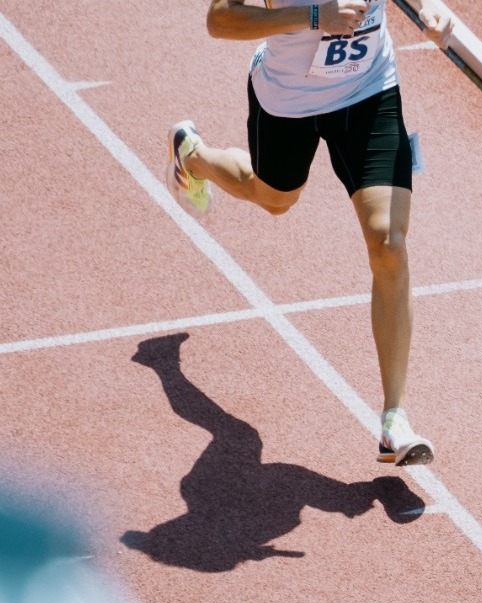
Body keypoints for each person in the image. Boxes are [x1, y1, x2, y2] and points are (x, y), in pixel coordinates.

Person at [168, 0, 454, 466]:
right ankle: (192, 155)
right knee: (274, 198)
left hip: (369, 90)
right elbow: (219, 19)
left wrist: (431, 8)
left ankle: (394, 418)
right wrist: (315, 16)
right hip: (288, 100)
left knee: (389, 243)